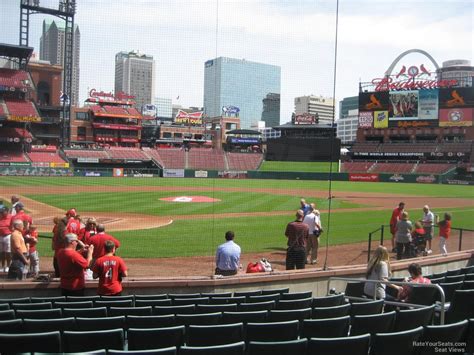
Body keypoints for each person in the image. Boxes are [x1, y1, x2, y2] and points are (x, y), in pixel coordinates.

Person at [0, 205, 12, 273]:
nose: (1, 213)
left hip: (8, 236)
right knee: (1, 252)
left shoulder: (11, 217)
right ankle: (2, 266)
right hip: (0, 236)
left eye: (2, 212)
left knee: (8, 252)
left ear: (7, 212)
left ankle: (8, 266)